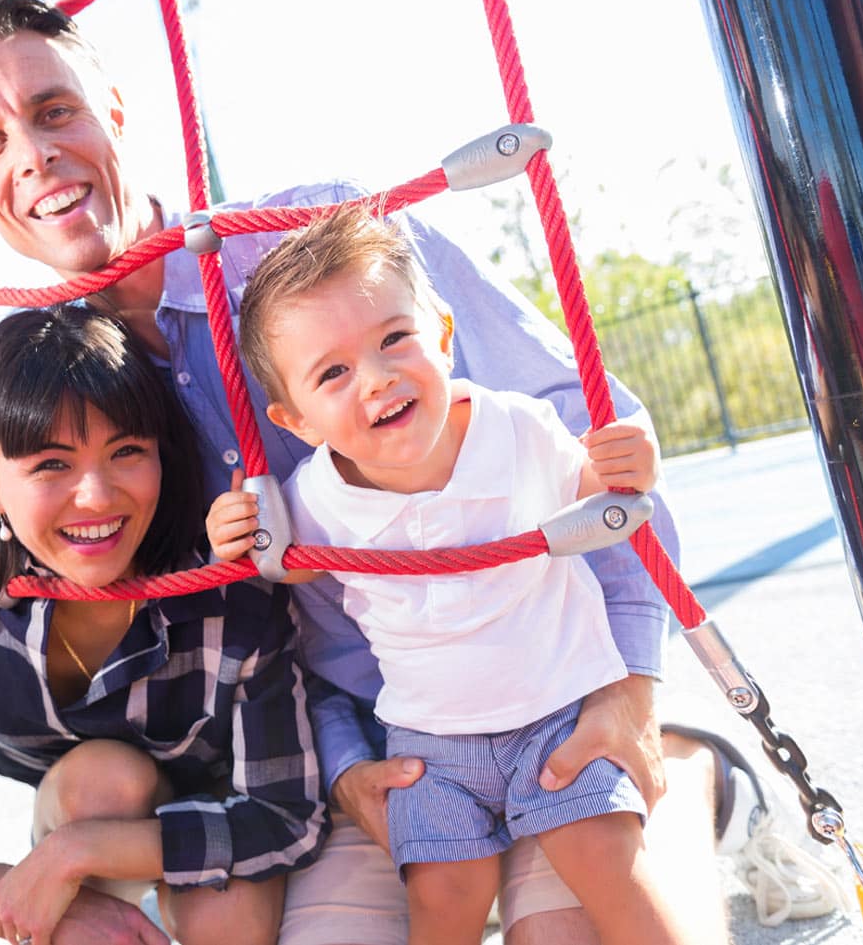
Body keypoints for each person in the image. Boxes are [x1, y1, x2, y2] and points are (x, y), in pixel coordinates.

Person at [0, 0, 763, 945]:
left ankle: (689, 763)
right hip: (357, 744)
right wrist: (340, 759)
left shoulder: (314, 245)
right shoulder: (60, 402)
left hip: (540, 684)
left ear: (112, 111)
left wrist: (628, 688)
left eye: (53, 108)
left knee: (573, 928)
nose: (32, 154)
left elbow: (587, 429)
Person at [206, 203, 687, 945]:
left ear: (444, 334)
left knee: (609, 865)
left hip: (555, 708)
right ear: (295, 419)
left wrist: (627, 463)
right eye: (331, 373)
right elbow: (272, 562)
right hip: (431, 744)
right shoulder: (312, 497)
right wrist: (229, 534)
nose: (376, 378)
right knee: (441, 899)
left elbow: (600, 490)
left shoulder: (517, 429)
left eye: (394, 338)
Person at [0, 306, 327, 945]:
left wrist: (75, 854)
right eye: (51, 465)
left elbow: (284, 819)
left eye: (127, 452)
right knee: (99, 789)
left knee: (225, 921)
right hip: (81, 796)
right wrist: (37, 895)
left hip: (221, 804)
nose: (96, 495)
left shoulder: (227, 595)